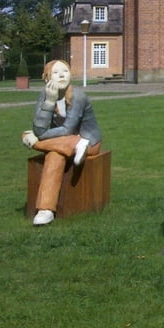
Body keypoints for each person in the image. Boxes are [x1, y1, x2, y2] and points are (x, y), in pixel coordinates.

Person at [21, 59, 102, 226]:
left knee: (32, 138)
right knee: (55, 154)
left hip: (89, 141)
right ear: (47, 78)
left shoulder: (78, 96)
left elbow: (67, 129)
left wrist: (38, 138)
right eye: (56, 73)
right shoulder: (44, 95)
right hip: (60, 143)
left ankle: (80, 144)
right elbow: (38, 126)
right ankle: (46, 210)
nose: (62, 75)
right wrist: (50, 101)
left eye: (65, 71)